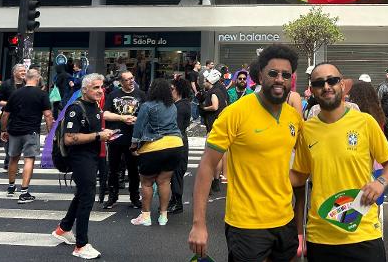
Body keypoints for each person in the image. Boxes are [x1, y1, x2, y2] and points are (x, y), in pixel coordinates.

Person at [188, 44, 303, 261]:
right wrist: (198, 224)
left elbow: (302, 167)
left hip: (285, 220)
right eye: (273, 73)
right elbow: (206, 165)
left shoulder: (294, 117)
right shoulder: (235, 113)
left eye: (285, 75)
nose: (279, 79)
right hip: (246, 225)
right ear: (260, 75)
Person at [291, 63, 388, 262]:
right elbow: (298, 176)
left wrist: (379, 183)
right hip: (321, 236)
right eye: (319, 83)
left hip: (363, 232)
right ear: (312, 89)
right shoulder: (307, 130)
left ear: (342, 84)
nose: (326, 86)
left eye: (332, 80)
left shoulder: (365, 122)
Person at [51, 73, 116, 260]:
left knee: (81, 195)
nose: (100, 90)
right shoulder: (75, 108)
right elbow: (69, 138)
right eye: (95, 87)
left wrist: (105, 134)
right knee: (87, 197)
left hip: (92, 156)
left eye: (101, 87)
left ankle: (63, 229)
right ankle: (81, 245)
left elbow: (92, 130)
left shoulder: (95, 106)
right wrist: (98, 136)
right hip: (80, 158)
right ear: (84, 89)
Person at [129, 78, 182, 227]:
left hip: (154, 146)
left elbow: (138, 128)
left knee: (146, 183)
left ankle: (146, 216)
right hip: (175, 144)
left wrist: (134, 146)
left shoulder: (147, 106)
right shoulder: (172, 106)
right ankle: (163, 216)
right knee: (165, 181)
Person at [0, 68, 54, 203]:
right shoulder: (42, 94)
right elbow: (48, 115)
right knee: (29, 159)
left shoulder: (15, 93)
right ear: (38, 79)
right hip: (31, 131)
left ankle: (11, 186)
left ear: (25, 79)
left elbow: (6, 114)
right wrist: (50, 133)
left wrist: (3, 129)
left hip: (14, 130)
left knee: (13, 158)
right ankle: (24, 191)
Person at [102, 70, 146, 209]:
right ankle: (112, 196)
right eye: (127, 79)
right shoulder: (113, 95)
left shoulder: (141, 94)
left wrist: (136, 119)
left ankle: (134, 197)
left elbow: (147, 113)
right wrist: (122, 117)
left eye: (132, 78)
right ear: (121, 82)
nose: (131, 81)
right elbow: (105, 114)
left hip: (134, 138)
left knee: (134, 170)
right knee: (113, 169)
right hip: (116, 137)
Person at [0, 64, 26, 164]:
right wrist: (10, 104)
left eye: (24, 70)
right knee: (9, 141)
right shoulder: (6, 84)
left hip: (24, 117)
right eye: (21, 71)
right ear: (14, 72)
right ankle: (9, 161)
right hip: (9, 117)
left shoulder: (27, 84)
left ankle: (12, 161)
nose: (24, 72)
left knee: (21, 142)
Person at [201, 68, 228, 192]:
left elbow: (215, 106)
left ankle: (210, 183)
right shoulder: (221, 90)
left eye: (205, 81)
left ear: (209, 81)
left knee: (209, 156)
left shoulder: (213, 92)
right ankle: (216, 181)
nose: (204, 83)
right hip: (220, 125)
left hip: (212, 126)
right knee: (218, 156)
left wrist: (204, 108)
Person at [169, 78, 193, 214]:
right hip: (180, 142)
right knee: (176, 173)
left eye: (172, 89)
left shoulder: (181, 106)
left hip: (178, 143)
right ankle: (174, 200)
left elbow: (177, 127)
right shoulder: (182, 104)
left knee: (177, 173)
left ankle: (177, 202)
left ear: (178, 90)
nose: (170, 92)